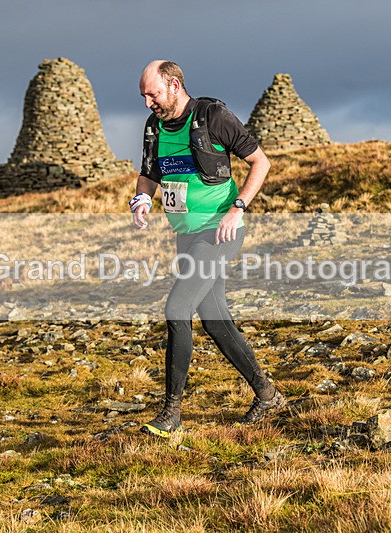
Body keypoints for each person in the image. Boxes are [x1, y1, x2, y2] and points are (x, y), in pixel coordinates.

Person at [130, 60, 286, 438]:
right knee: (215, 319)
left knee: (177, 308)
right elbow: (150, 173)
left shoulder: (212, 115)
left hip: (219, 232)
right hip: (186, 235)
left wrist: (238, 208)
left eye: (152, 93)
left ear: (173, 84)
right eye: (143, 96)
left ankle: (171, 415)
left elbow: (260, 163)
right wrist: (142, 198)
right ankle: (267, 394)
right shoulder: (154, 127)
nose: (147, 101)